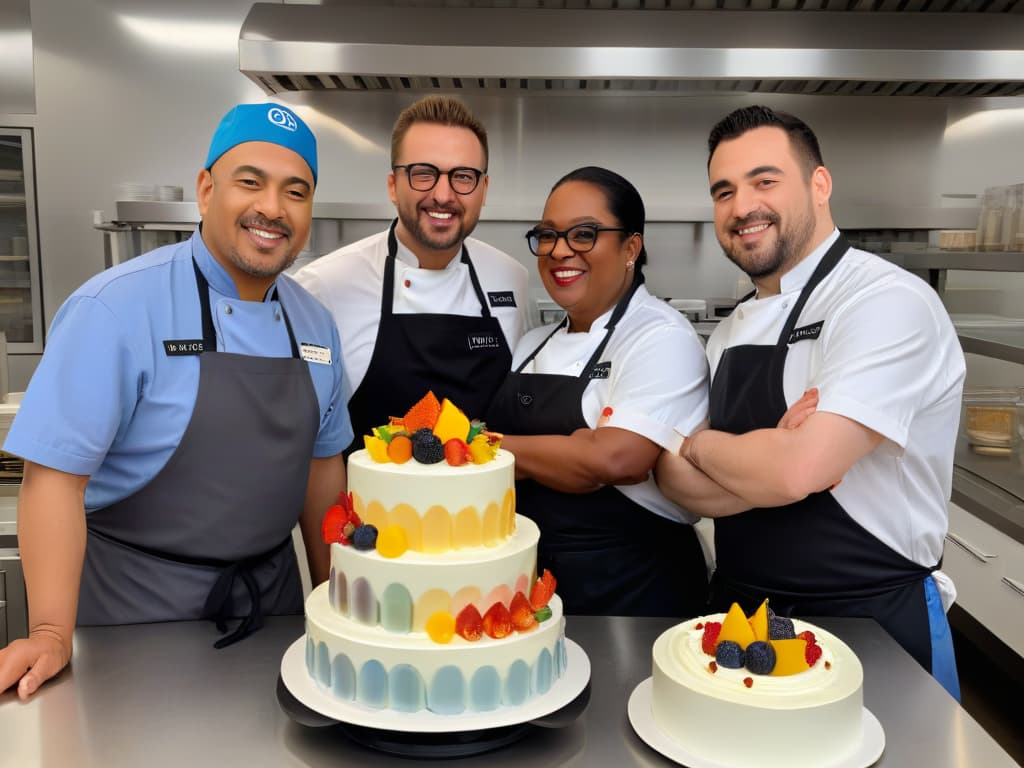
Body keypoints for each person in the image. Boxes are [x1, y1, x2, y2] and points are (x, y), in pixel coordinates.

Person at [0, 103, 352, 699]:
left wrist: (337, 604)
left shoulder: (315, 323)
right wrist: (52, 631)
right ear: (206, 189)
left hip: (275, 615)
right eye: (250, 182)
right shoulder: (115, 308)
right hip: (131, 618)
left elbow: (322, 475)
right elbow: (55, 477)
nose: (272, 207)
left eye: (296, 191)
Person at [654, 106, 965, 698]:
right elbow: (672, 477)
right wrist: (771, 463)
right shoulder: (728, 332)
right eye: (724, 191)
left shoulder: (884, 300)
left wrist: (705, 445)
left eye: (764, 181)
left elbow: (798, 468)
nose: (742, 206)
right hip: (741, 618)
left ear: (820, 185)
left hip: (873, 619)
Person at [486, 166, 710, 618]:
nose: (559, 251)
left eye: (584, 234)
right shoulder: (533, 344)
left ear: (631, 247)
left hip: (634, 588)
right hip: (533, 589)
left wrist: (486, 449)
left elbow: (616, 460)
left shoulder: (661, 337)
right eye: (547, 236)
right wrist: (568, 449)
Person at [294, 96, 528, 445]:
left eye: (463, 176)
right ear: (393, 185)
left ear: (483, 190)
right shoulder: (325, 285)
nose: (444, 194)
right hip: (370, 500)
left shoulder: (512, 278)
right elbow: (302, 431)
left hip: (489, 500)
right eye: (423, 174)